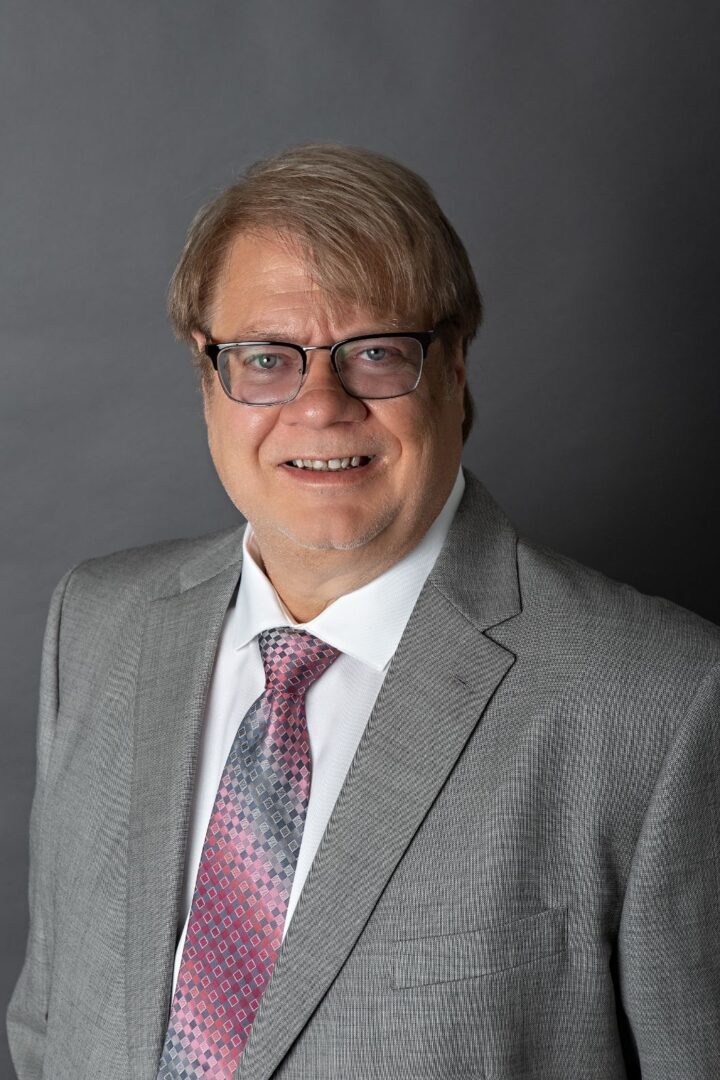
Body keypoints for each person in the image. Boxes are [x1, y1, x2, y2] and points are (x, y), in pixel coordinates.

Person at [7, 143, 720, 1080]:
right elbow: (49, 1023)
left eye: (376, 354)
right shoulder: (98, 624)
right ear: (205, 374)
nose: (318, 406)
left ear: (455, 365)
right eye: (266, 359)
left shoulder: (662, 701)